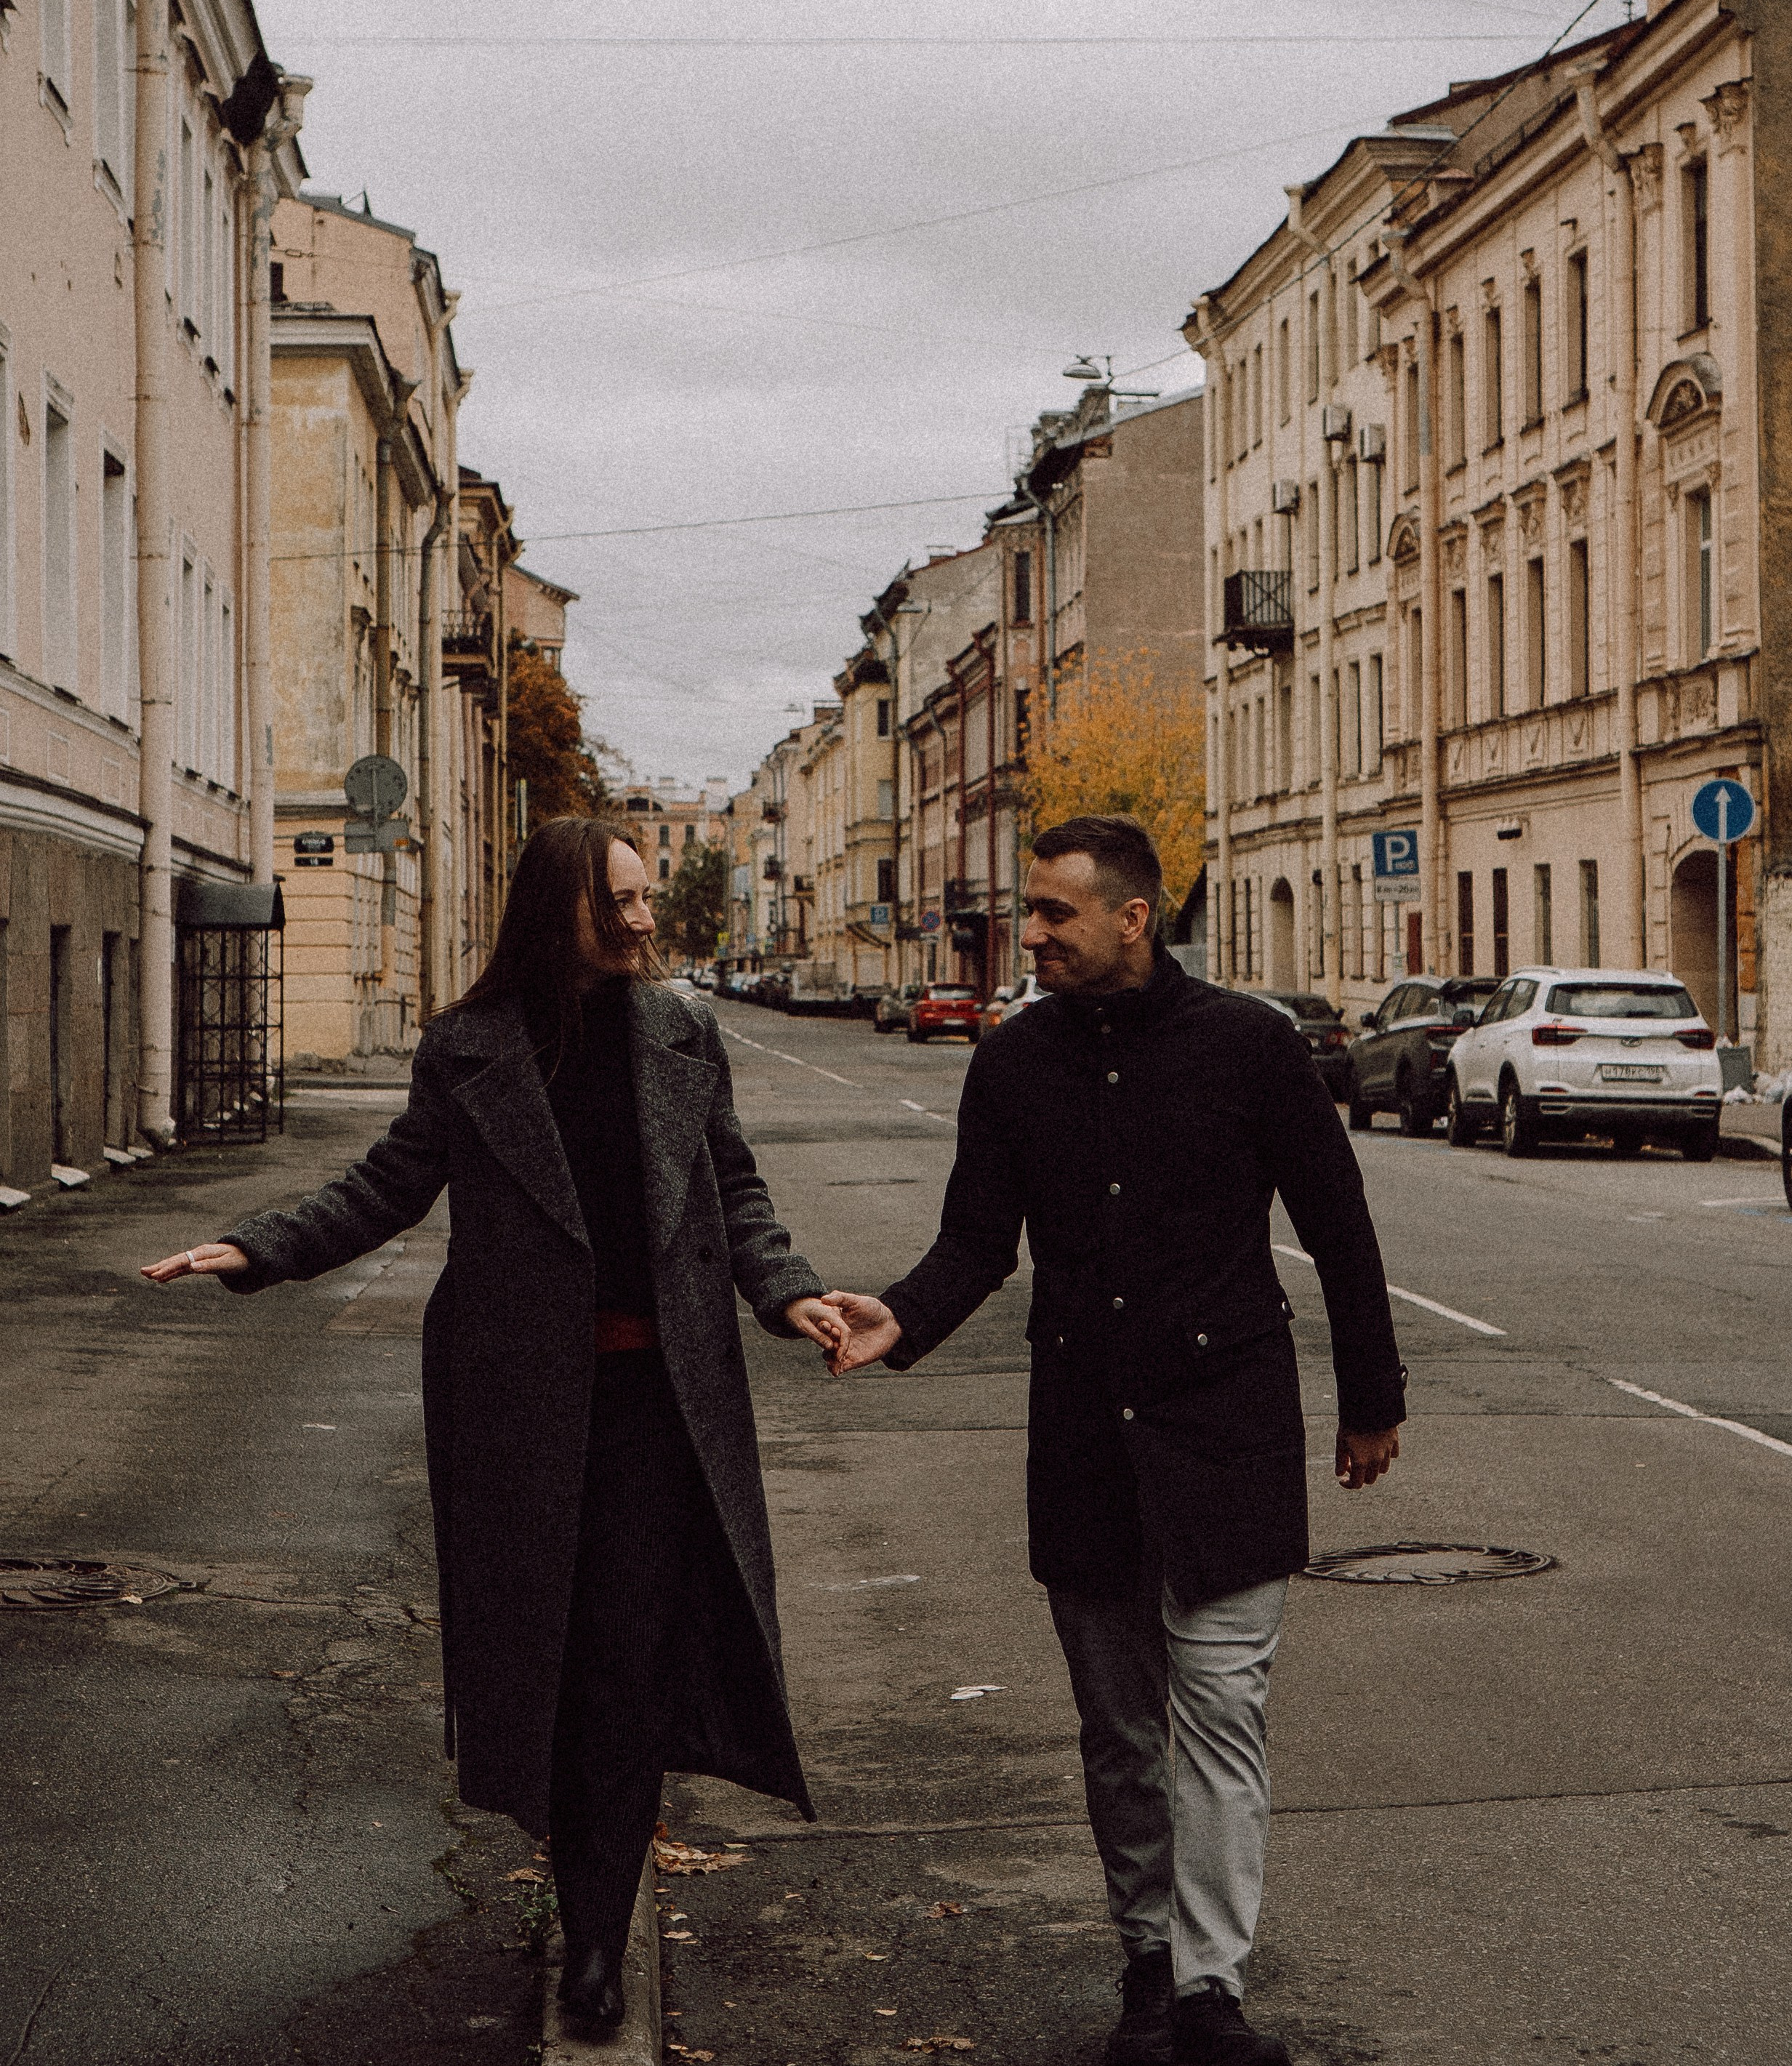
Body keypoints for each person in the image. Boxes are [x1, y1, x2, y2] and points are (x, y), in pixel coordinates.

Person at [143, 814, 843, 2033]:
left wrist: (786, 1291)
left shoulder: (682, 1029)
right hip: (520, 1415)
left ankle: (593, 1939)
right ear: (551, 908)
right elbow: (387, 1183)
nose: (639, 917)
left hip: (658, 1416)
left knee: (625, 1669)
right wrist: (261, 1243)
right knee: (551, 1669)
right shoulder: (471, 1048)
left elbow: (734, 1187)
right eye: (613, 900)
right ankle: (576, 1886)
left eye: (641, 898)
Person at [821, 816, 1407, 2066]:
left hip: (1228, 1427)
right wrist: (900, 1315)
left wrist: (1372, 1399)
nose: (1029, 934)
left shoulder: (1250, 1047)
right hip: (1084, 1433)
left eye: (1051, 914)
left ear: (1131, 917)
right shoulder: (1014, 1061)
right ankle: (1148, 1960)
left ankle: (1209, 1987)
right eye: (1030, 913)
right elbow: (979, 1238)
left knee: (1220, 1713)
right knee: (1118, 1729)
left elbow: (1338, 1224)